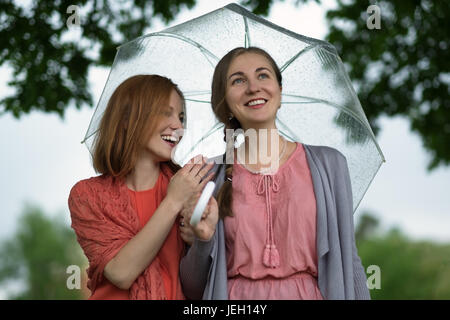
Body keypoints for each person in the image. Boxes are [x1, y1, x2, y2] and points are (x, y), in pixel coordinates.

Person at [179, 47, 371, 300]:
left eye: (263, 75)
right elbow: (192, 289)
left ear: (280, 92)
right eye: (238, 80)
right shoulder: (206, 178)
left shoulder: (329, 165)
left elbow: (349, 259)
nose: (253, 87)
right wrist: (202, 242)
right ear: (224, 102)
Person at [68, 74, 214, 300]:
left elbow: (204, 284)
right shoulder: (87, 196)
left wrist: (199, 244)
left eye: (181, 117)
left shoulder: (193, 190)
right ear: (127, 119)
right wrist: (172, 201)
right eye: (166, 113)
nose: (178, 126)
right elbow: (120, 273)